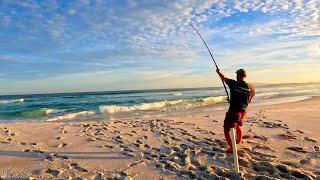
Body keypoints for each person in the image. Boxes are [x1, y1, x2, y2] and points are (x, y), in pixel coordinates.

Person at [216, 68, 255, 153]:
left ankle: (232, 148)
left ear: (237, 75)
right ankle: (239, 141)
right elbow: (249, 100)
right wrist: (234, 100)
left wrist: (218, 72)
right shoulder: (251, 87)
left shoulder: (233, 83)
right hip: (243, 112)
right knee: (238, 126)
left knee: (226, 130)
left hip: (234, 112)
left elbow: (223, 78)